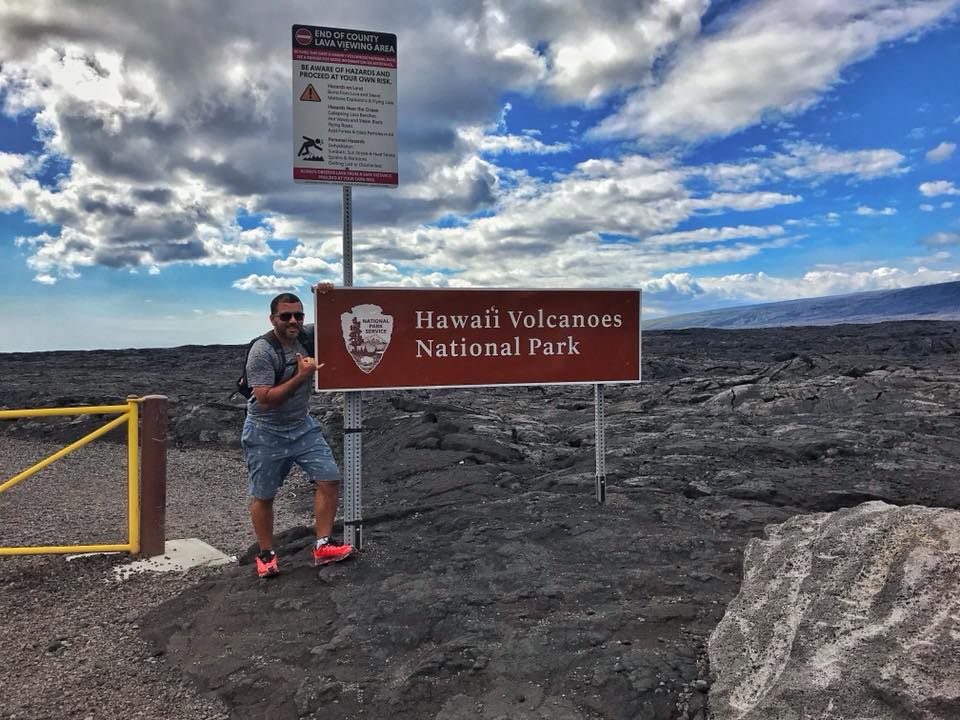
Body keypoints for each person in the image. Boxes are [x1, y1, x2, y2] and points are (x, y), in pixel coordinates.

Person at [242, 288, 353, 578]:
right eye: (285, 316)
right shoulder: (262, 351)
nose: (293, 321)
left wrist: (329, 297)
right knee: (264, 495)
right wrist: (302, 376)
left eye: (298, 315)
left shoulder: (306, 335)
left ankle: (323, 545)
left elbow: (339, 320)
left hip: (301, 426)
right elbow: (265, 399)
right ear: (272, 319)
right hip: (265, 430)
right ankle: (265, 554)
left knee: (329, 478)